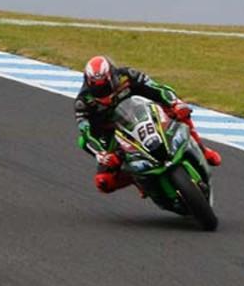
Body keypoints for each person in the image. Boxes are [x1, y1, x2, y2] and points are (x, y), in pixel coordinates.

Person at [75, 56, 222, 195]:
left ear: (112, 76)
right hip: (115, 134)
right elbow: (85, 133)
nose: (102, 91)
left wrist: (175, 103)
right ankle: (137, 178)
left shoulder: (127, 75)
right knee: (103, 182)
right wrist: (102, 154)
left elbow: (157, 88)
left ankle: (202, 149)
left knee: (180, 111)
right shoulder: (83, 102)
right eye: (97, 88)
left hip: (145, 113)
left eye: (105, 86)